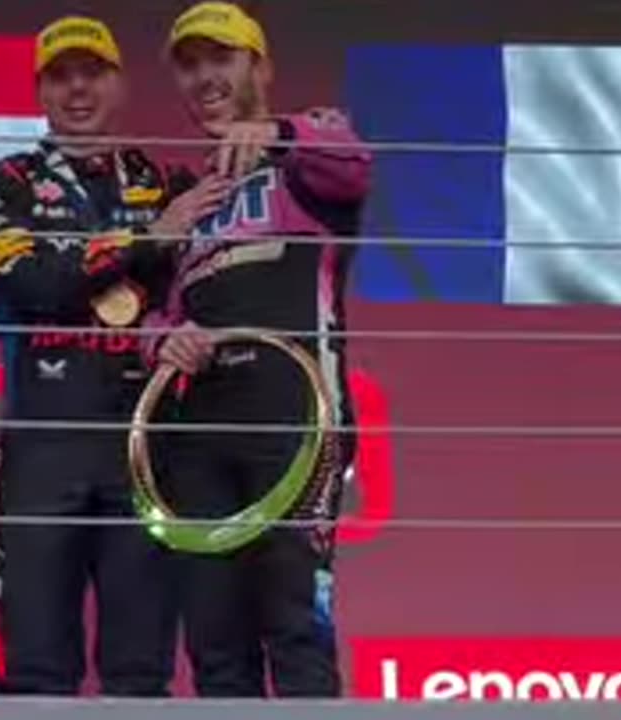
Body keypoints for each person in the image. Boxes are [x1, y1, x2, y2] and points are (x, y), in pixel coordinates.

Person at [0, 16, 230, 696]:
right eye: (60, 76)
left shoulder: (165, 182)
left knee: (140, 671)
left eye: (92, 73)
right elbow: (33, 284)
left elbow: (187, 298)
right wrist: (146, 240)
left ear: (120, 83)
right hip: (41, 451)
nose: (77, 90)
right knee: (36, 670)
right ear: (39, 92)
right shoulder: (0, 184)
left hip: (142, 448)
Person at [147, 2, 373, 698]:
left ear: (262, 67)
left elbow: (354, 167)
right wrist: (166, 339)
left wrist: (276, 130)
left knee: (296, 630)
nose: (204, 77)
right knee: (216, 648)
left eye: (222, 58)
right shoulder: (186, 195)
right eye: (189, 65)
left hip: (297, 426)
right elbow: (157, 313)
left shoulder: (306, 150)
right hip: (200, 439)